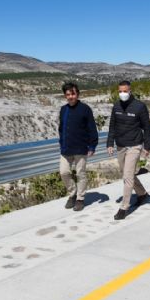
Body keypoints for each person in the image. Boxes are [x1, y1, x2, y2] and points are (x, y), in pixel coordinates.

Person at [106, 80, 150, 220]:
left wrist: (147, 146)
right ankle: (142, 194)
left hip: (134, 145)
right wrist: (110, 143)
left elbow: (147, 127)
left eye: (125, 91)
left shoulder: (139, 106)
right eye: (120, 91)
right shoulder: (116, 106)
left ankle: (124, 207)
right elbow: (112, 126)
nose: (122, 94)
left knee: (127, 176)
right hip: (120, 145)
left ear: (130, 91)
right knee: (127, 174)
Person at [58, 82, 99, 212]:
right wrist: (61, 142)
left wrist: (92, 146)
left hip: (81, 148)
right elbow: (61, 128)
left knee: (81, 173)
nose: (71, 96)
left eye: (73, 93)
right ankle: (72, 193)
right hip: (66, 148)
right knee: (64, 172)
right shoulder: (63, 109)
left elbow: (92, 128)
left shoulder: (85, 109)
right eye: (68, 94)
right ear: (65, 96)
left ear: (78, 94)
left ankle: (80, 199)